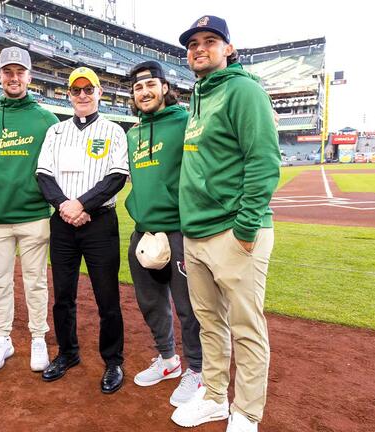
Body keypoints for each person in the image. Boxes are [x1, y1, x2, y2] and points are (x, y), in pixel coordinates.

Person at [169, 16, 281, 432]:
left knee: (246, 326)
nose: (200, 48)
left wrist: (247, 228)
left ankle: (247, 413)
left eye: (210, 41)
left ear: (228, 49)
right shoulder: (198, 96)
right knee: (209, 323)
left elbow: (265, 161)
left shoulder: (243, 90)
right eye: (193, 43)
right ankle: (215, 397)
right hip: (196, 234)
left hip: (234, 232)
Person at [36, 67, 129, 394]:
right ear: (69, 95)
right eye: (76, 90)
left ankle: (113, 360)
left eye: (88, 89)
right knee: (63, 296)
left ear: (99, 92)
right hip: (63, 224)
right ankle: (68, 353)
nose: (83, 95)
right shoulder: (56, 132)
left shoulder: (114, 130)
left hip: (100, 223)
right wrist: (66, 206)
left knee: (107, 297)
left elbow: (116, 176)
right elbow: (43, 175)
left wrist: (81, 206)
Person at [0, 47, 59, 373]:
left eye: (19, 72)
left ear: (29, 76)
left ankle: (38, 337)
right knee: (0, 282)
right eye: (7, 72)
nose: (14, 77)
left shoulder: (46, 119)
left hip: (35, 214)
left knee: (36, 282)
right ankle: (3, 338)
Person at [124, 61, 204, 407]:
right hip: (143, 231)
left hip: (177, 230)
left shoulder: (185, 122)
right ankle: (169, 360)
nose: (144, 92)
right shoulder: (132, 133)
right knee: (150, 303)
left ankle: (197, 371)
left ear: (164, 87)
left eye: (150, 85)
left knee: (188, 307)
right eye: (138, 88)